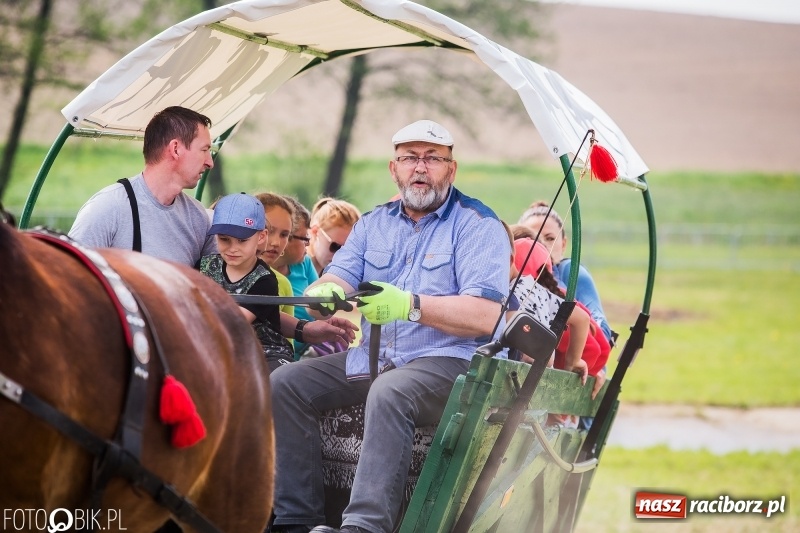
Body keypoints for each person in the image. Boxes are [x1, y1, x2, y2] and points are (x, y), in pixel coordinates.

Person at [269, 120, 511, 533]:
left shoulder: (478, 226)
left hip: (452, 364)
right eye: (410, 158)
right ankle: (297, 522)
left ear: (451, 170)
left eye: (433, 158)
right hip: (376, 356)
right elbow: (338, 277)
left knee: (390, 390)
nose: (421, 167)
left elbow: (485, 315)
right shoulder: (373, 224)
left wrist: (410, 305)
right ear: (393, 168)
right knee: (285, 383)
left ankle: (364, 526)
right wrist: (324, 294)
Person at [199, 193, 357, 373]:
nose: (233, 248)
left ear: (260, 237)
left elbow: (236, 321)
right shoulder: (205, 265)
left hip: (265, 350)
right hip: (222, 345)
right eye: (224, 239)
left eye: (242, 240)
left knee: (278, 381)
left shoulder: (265, 279)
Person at [69, 106, 217, 266]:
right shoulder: (108, 208)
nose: (210, 162)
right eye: (204, 150)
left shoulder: (199, 218)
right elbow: (69, 275)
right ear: (175, 149)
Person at [518, 201, 613, 342]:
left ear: (563, 244)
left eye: (550, 238)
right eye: (533, 238)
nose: (542, 244)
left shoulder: (570, 271)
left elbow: (602, 332)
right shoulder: (511, 276)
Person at [273, 196, 320, 357]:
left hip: (302, 352)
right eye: (305, 238)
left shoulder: (303, 264)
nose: (308, 244)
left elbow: (321, 307)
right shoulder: (255, 273)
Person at [255, 192, 297, 317]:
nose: (276, 242)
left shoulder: (283, 283)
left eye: (284, 235)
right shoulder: (216, 270)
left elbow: (284, 336)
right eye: (268, 230)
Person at [307, 197, 361, 276]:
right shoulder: (293, 271)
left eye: (349, 251)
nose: (340, 257)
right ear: (315, 232)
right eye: (335, 246)